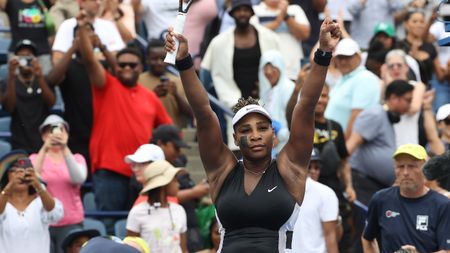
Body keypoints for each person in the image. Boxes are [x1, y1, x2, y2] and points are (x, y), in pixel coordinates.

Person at [165, 17, 341, 252]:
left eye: (262, 128)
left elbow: (306, 105)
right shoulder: (222, 171)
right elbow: (204, 114)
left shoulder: (290, 169)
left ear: (274, 136)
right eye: (246, 130)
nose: (255, 134)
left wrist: (323, 54)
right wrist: (185, 62)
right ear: (236, 139)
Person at [77, 9, 173, 220]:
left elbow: (169, 130)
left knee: (140, 228)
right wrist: (83, 28)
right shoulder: (106, 86)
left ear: (141, 68)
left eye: (132, 65)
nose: (127, 68)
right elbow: (89, 59)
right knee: (111, 226)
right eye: (122, 65)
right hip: (110, 171)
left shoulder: (150, 97)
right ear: (116, 68)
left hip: (144, 175)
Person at [201, 0, 281, 148]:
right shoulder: (219, 42)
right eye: (238, 10)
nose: (242, 13)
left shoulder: (269, 37)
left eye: (246, 9)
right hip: (231, 100)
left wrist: (265, 85)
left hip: (264, 98)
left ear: (252, 12)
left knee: (266, 140)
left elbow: (279, 67)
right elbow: (205, 72)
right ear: (232, 14)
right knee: (237, 143)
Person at [346, 80, 414, 252]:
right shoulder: (375, 114)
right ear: (393, 98)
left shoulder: (386, 119)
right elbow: (349, 148)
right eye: (407, 99)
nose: (410, 105)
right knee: (366, 233)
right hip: (362, 183)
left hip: (375, 186)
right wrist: (347, 183)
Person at [47, 23, 117, 172]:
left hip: (102, 134)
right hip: (76, 135)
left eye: (89, 36)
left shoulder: (102, 66)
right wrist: (73, 48)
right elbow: (51, 80)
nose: (86, 40)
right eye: (81, 37)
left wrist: (102, 47)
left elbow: (120, 72)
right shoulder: (69, 66)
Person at [362, 144, 450, 253]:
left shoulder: (442, 204)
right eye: (400, 166)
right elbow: (367, 238)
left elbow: (446, 251)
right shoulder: (381, 199)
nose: (405, 173)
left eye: (412, 166)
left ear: (425, 168)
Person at [30, 114, 88, 253]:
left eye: (60, 129)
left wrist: (64, 148)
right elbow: (32, 180)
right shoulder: (34, 158)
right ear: (43, 135)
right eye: (50, 130)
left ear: (66, 134)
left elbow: (78, 178)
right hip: (43, 221)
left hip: (71, 222)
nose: (55, 133)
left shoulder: (77, 158)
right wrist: (45, 149)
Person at [150, 124, 210, 252]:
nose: (179, 152)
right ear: (161, 144)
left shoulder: (177, 163)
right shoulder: (151, 168)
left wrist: (200, 196)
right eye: (175, 147)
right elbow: (158, 198)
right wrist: (194, 193)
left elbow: (188, 186)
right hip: (168, 231)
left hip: (190, 224)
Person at [0, 150, 64, 253]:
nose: (21, 175)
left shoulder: (40, 203)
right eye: (15, 171)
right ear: (6, 176)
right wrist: (8, 188)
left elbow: (54, 212)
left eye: (26, 171)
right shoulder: (3, 202)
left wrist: (38, 185)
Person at [1, 39, 55, 153]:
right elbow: (9, 107)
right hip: (19, 142)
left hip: (43, 142)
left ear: (35, 59)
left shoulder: (44, 80)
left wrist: (39, 76)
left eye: (28, 57)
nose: (25, 60)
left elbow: (51, 103)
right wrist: (11, 75)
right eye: (21, 57)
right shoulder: (8, 82)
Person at [126, 160, 188, 253]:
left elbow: (183, 249)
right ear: (163, 184)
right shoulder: (137, 213)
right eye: (175, 180)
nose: (178, 184)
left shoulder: (179, 210)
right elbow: (130, 249)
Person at [324, 38, 381, 138]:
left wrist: (344, 149)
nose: (343, 61)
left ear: (358, 57)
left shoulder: (365, 78)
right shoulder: (344, 79)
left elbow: (357, 117)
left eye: (348, 57)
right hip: (334, 142)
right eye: (340, 57)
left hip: (347, 147)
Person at [292, 148, 340, 253]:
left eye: (317, 167)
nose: (313, 171)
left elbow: (332, 239)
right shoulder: (277, 189)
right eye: (309, 167)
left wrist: (338, 222)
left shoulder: (326, 193)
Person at [138, 40, 193, 129]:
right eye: (154, 59)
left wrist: (176, 95)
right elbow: (133, 110)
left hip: (172, 135)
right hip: (146, 131)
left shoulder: (178, 81)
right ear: (147, 59)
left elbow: (190, 113)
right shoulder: (138, 80)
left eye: (162, 59)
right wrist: (153, 95)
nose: (159, 63)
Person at [52, 0, 125, 64]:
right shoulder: (67, 25)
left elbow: (118, 54)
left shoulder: (108, 25)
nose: (99, 3)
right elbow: (57, 58)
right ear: (81, 2)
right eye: (94, 0)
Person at [252, 0, 310, 80]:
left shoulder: (295, 9)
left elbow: (305, 34)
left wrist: (286, 16)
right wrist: (277, 22)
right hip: (266, 73)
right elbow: (253, 35)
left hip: (294, 72)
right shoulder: (254, 10)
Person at [0, 0, 54, 74]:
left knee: (45, 81)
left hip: (42, 53)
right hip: (17, 53)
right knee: (16, 82)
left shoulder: (43, 2)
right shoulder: (11, 2)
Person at [257, 50, 295, 154]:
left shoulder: (288, 88)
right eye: (265, 67)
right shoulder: (267, 91)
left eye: (273, 67)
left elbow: (292, 120)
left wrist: (281, 137)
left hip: (285, 146)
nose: (268, 72)